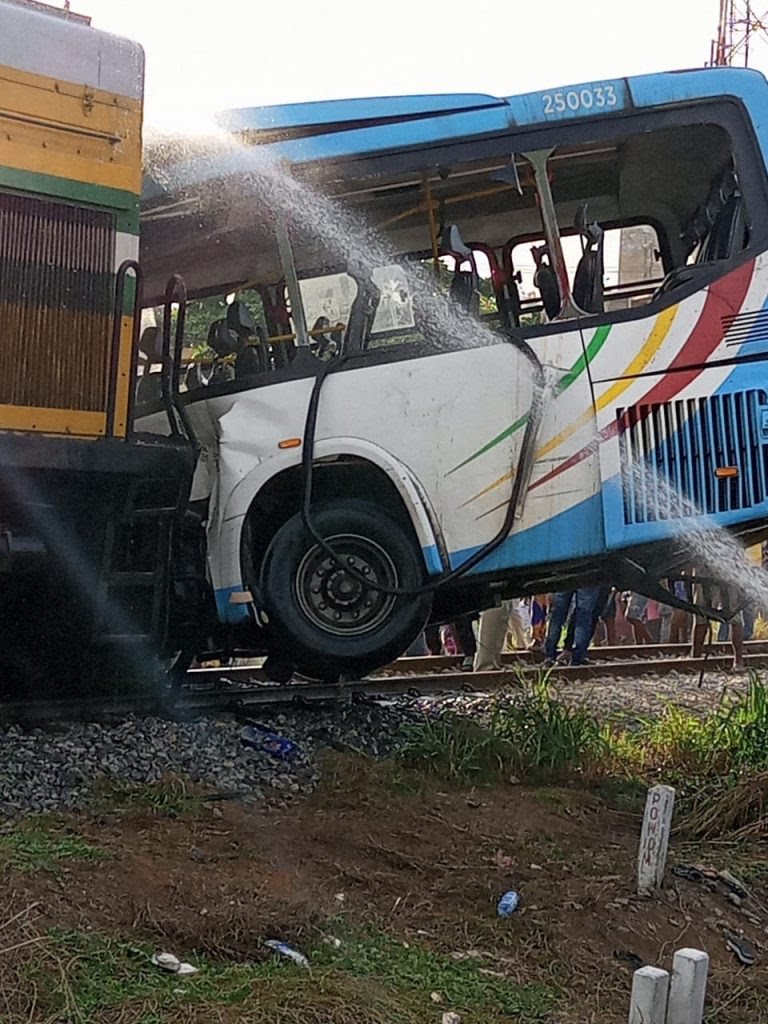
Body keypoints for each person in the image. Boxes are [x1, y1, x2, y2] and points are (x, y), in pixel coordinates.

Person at [690, 572, 745, 672]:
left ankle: (738, 660)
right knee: (701, 613)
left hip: (728, 571)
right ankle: (695, 658)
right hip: (705, 571)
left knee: (734, 615)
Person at [543, 587, 601, 667]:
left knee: (557, 615)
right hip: (587, 578)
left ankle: (549, 655)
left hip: (564, 576)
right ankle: (577, 657)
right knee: (584, 616)